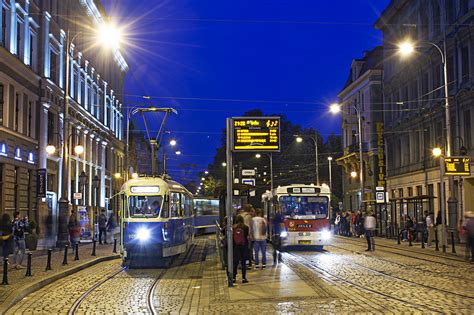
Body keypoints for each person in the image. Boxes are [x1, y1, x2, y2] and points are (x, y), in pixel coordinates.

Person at [232, 215, 250, 283]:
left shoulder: (233, 227)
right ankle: (243, 278)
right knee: (243, 263)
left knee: (235, 263)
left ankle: (233, 278)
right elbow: (246, 236)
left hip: (236, 246)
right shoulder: (246, 227)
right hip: (243, 246)